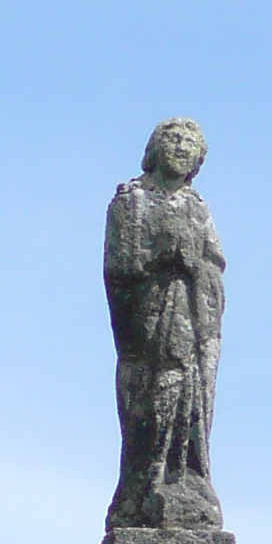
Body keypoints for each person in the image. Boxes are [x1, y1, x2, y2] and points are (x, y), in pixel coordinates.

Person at [103, 118, 224, 519]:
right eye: (173, 138)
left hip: (189, 329)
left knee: (188, 393)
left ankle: (184, 479)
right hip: (149, 331)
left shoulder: (197, 208)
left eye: (191, 142)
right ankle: (145, 483)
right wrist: (164, 256)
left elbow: (214, 265)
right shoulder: (131, 201)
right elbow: (120, 267)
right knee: (150, 398)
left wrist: (195, 266)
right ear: (155, 148)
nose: (182, 146)